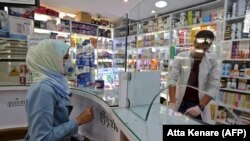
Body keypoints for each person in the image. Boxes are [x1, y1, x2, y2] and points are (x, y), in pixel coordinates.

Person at [24, 39, 94, 141]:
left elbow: (56, 122)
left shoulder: (55, 83)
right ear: (50, 60)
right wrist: (79, 120)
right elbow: (41, 138)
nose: (69, 60)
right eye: (65, 57)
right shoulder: (42, 89)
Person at [168, 30, 220, 122]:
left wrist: (200, 107)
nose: (200, 52)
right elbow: (172, 79)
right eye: (198, 48)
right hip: (180, 102)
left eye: (204, 49)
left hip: (199, 105)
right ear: (194, 42)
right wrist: (172, 102)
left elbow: (214, 86)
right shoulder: (181, 57)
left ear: (209, 47)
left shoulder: (212, 61)